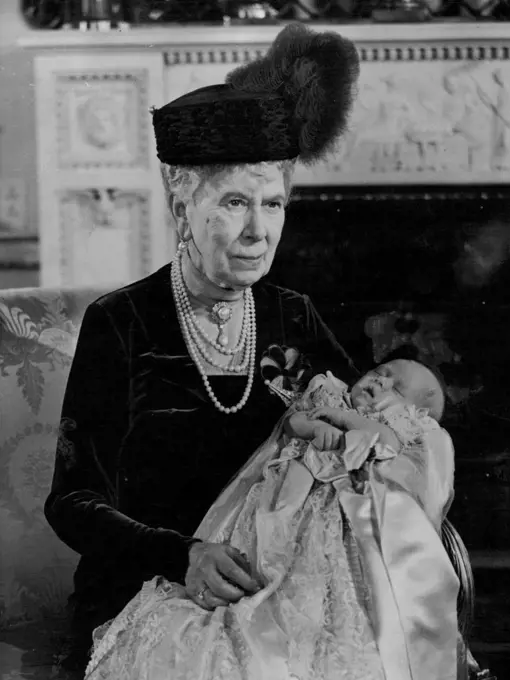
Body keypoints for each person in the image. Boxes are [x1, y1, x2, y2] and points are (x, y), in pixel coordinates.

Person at [44, 22, 361, 673]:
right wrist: (180, 553)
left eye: (272, 204)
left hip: (275, 596)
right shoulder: (122, 321)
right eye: (235, 201)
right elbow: (72, 503)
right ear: (181, 203)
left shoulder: (292, 315)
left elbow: (367, 426)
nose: (256, 231)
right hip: (143, 592)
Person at [82, 359, 459, 679]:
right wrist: (315, 426)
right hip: (279, 501)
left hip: (336, 518)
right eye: (381, 371)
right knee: (254, 562)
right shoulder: (328, 392)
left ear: (411, 411)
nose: (381, 381)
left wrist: (346, 421)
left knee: (323, 588)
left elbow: (386, 444)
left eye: (397, 387)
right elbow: (293, 422)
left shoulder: (401, 432)